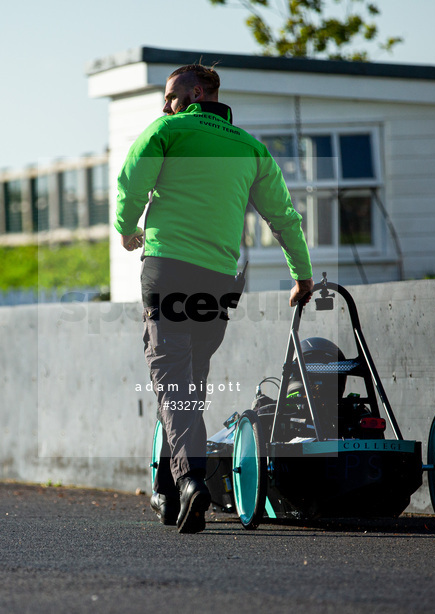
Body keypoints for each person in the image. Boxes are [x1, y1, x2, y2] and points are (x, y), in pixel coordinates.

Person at [116, 64, 313, 534]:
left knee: (171, 381)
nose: (166, 105)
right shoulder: (250, 147)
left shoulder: (169, 130)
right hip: (219, 280)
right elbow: (284, 217)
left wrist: (127, 231)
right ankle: (167, 493)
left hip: (168, 268)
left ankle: (189, 482)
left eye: (173, 95)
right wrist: (301, 276)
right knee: (189, 384)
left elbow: (131, 181)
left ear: (198, 92)